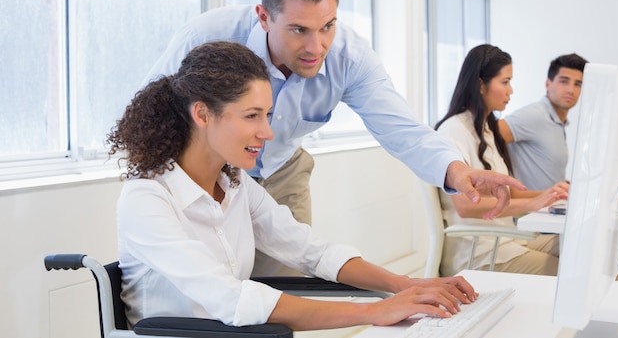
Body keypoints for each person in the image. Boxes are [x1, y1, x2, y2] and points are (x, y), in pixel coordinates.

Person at [143, 0, 525, 276]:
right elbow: (151, 114)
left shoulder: (350, 57)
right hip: (204, 175)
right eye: (298, 30)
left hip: (281, 171)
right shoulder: (208, 37)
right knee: (212, 293)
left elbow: (401, 128)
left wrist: (458, 172)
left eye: (327, 26)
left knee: (285, 291)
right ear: (264, 16)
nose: (316, 46)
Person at [106, 41, 480, 330]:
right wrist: (374, 311)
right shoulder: (147, 199)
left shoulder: (235, 186)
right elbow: (231, 300)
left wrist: (404, 286)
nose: (267, 132)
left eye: (267, 115)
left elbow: (310, 251)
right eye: (252, 116)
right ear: (202, 114)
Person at [434, 44, 569, 277]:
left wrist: (550, 194)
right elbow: (465, 206)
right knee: (574, 274)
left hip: (507, 242)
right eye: (505, 82)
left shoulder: (487, 130)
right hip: (481, 253)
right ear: (480, 85)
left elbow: (508, 194)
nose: (511, 91)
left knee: (581, 254)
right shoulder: (454, 131)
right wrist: (533, 204)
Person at [498, 54, 588, 190]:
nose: (571, 90)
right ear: (548, 83)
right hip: (529, 210)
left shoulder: (557, 121)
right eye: (564, 81)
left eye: (578, 84)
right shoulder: (536, 115)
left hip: (550, 208)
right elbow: (486, 136)